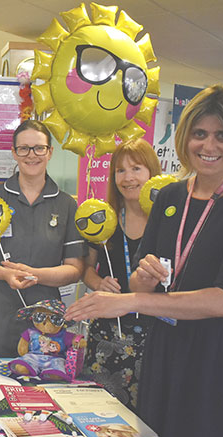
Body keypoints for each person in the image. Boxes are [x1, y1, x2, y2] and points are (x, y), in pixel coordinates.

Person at [66, 84, 223, 437]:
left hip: (221, 359)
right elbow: (141, 282)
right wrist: (141, 281)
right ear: (185, 136)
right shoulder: (170, 197)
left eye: (222, 136)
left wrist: (129, 301)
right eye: (200, 134)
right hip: (167, 350)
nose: (208, 147)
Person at [0, 119, 86, 358]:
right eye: (23, 148)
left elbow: (75, 269)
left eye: (39, 148)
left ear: (50, 152)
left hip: (43, 321)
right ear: (14, 153)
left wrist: (35, 275)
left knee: (37, 390)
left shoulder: (66, 204)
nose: (31, 155)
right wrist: (5, 274)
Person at [80, 138, 161, 410]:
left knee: (149, 416)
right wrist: (98, 282)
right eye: (120, 171)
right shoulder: (106, 219)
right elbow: (86, 269)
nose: (128, 178)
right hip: (107, 336)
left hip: (155, 336)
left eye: (137, 168)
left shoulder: (167, 221)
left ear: (152, 172)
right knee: (100, 416)